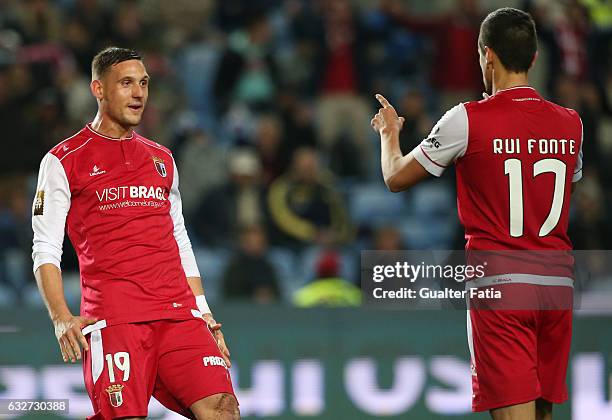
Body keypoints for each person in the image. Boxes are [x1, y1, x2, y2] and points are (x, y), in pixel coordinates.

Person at [371, 8, 582, 420]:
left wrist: (388, 135)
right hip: (557, 286)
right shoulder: (571, 123)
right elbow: (562, 188)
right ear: (534, 59)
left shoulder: (467, 118)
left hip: (501, 284)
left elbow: (396, 177)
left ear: (487, 55)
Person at [31, 47, 239, 420]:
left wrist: (203, 310)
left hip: (179, 315)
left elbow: (179, 238)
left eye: (143, 83)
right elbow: (45, 248)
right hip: (116, 319)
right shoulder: (63, 160)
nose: (139, 93)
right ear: (98, 89)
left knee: (223, 409)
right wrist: (61, 317)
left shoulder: (162, 159)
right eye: (126, 83)